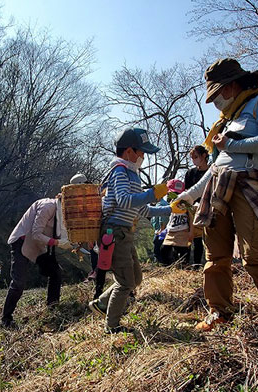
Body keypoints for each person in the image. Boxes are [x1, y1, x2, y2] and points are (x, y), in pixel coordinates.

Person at [173, 58, 258, 332]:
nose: (215, 102)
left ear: (231, 86)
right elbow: (217, 167)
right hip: (219, 189)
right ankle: (219, 312)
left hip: (252, 185)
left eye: (217, 94)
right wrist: (189, 195)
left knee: (256, 254)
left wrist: (232, 144)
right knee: (215, 255)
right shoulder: (226, 122)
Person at [88, 128, 171, 333]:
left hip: (125, 233)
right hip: (114, 232)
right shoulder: (119, 171)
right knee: (125, 283)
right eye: (141, 151)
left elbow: (142, 209)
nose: (143, 156)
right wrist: (152, 194)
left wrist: (170, 209)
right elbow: (125, 201)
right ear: (128, 152)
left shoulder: (132, 174)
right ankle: (112, 326)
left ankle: (100, 304)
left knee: (136, 278)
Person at [0, 181, 70, 329]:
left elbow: (57, 234)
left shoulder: (62, 214)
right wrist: (57, 243)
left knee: (56, 272)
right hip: (22, 242)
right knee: (19, 282)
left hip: (40, 246)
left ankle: (52, 307)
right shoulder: (47, 206)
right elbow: (36, 233)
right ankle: (6, 319)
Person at [184, 145, 211, 266]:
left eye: (196, 157)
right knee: (195, 237)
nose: (194, 160)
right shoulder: (190, 173)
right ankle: (195, 264)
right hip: (193, 209)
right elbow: (187, 191)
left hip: (209, 207)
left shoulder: (212, 171)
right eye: (192, 158)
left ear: (204, 156)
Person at [161, 179, 192, 265]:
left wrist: (191, 232)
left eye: (178, 193)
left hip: (182, 230)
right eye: (173, 193)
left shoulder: (185, 204)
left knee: (183, 251)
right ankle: (167, 267)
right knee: (164, 249)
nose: (176, 195)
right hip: (171, 230)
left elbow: (191, 218)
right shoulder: (170, 203)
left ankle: (184, 267)